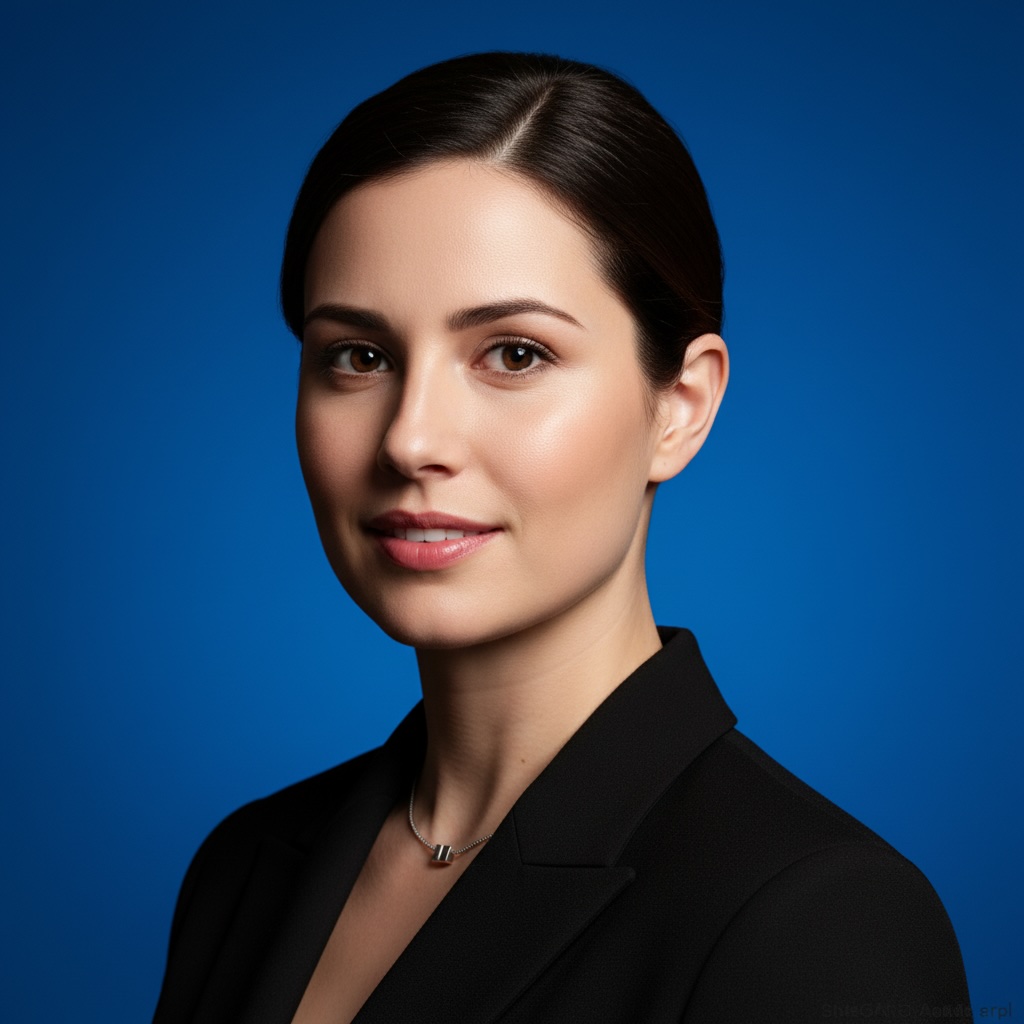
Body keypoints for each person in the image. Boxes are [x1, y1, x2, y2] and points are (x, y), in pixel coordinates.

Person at [152, 51, 971, 1023]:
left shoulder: (811, 918)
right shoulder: (245, 866)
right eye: (358, 356)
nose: (411, 437)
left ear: (680, 405)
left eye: (513, 353)